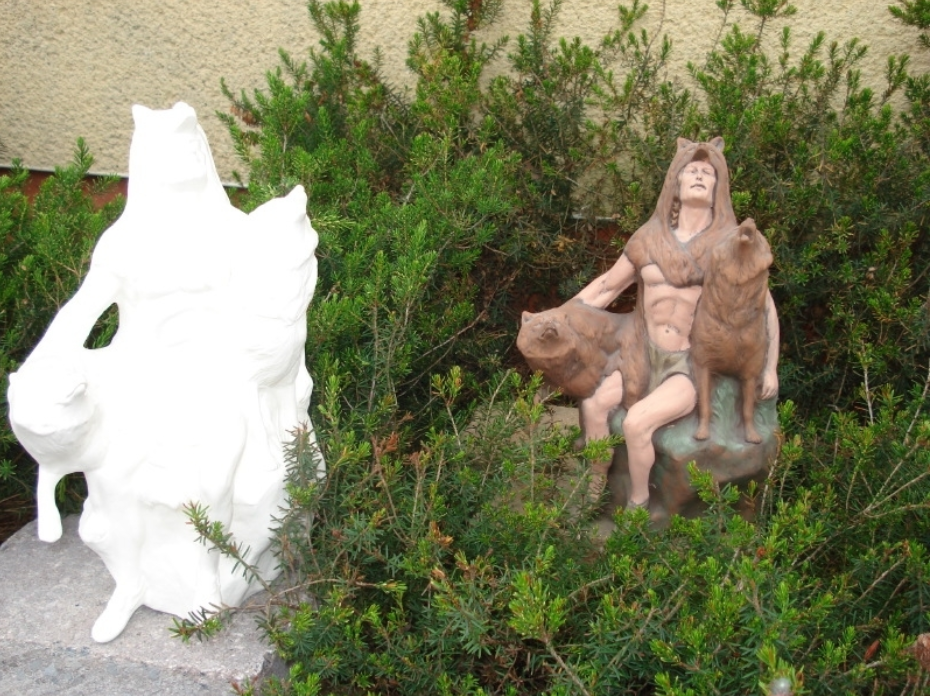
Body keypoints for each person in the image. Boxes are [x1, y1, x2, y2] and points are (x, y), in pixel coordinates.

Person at [573, 138, 779, 509]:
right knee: (593, 405)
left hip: (688, 362)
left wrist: (771, 368)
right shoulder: (649, 238)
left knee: (636, 423)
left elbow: (764, 307)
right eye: (692, 170)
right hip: (640, 355)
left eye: (708, 173)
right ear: (676, 182)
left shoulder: (729, 244)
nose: (699, 176)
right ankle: (593, 488)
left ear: (718, 187)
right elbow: (608, 286)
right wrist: (563, 316)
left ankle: (637, 506)